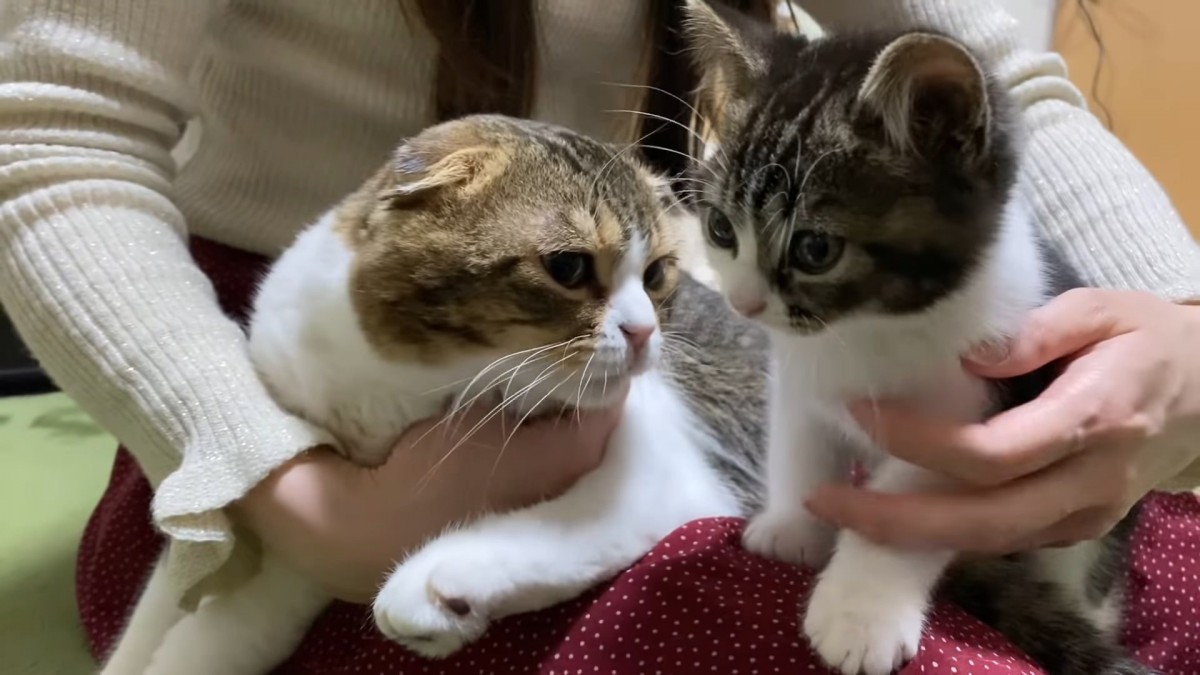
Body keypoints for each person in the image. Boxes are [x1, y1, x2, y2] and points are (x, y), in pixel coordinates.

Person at [1, 1, 1198, 672]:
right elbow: (49, 135)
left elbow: (997, 87)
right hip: (286, 381)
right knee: (763, 634)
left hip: (624, 316)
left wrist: (1185, 348)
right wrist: (277, 488)